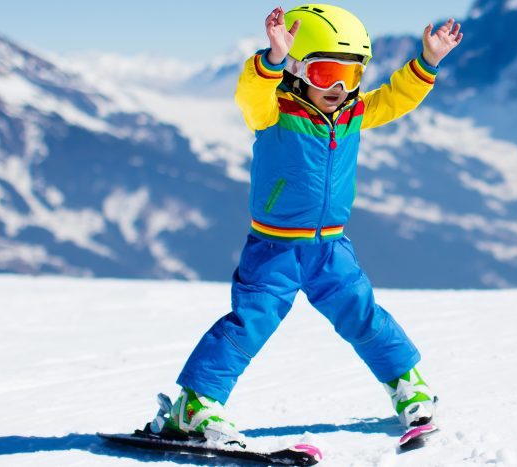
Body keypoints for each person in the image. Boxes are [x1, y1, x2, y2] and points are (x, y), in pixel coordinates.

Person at [151, 4, 463, 446]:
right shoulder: (274, 112)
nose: (338, 87)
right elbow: (249, 94)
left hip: (331, 249)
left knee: (364, 316)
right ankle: (194, 405)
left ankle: (408, 385)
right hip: (274, 250)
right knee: (248, 325)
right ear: (298, 71)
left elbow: (395, 98)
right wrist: (272, 60)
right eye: (324, 73)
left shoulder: (353, 113)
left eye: (351, 76)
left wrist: (427, 62)